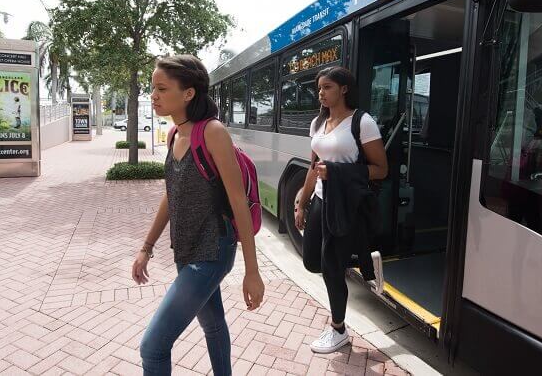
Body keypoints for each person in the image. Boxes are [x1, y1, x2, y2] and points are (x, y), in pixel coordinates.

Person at [132, 55, 265, 375]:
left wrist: (252, 271)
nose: (154, 95)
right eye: (153, 88)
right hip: (186, 248)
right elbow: (171, 193)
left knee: (153, 346)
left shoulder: (213, 132)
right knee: (214, 326)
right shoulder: (175, 134)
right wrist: (146, 247)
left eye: (162, 88)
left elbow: (238, 202)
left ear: (188, 93)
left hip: (213, 251)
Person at [294, 66, 388, 354]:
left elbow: (381, 170)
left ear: (344, 89)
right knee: (313, 261)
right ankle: (359, 253)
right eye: (319, 88)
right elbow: (314, 165)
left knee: (331, 269)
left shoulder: (362, 122)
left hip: (346, 205)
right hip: (322, 201)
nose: (321, 93)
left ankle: (338, 329)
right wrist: (302, 199)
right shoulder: (318, 123)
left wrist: (336, 172)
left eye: (328, 87)